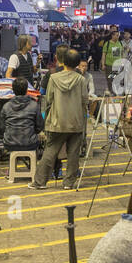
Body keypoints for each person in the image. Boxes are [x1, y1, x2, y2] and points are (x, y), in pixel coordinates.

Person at [32, 48, 90, 190]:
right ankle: (69, 183)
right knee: (73, 154)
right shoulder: (81, 80)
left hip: (57, 121)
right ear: (77, 64)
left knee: (50, 151)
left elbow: (49, 99)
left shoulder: (53, 78)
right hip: (76, 122)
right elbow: (85, 100)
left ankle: (40, 182)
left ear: (63, 61)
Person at [1, 77, 43, 154]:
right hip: (30, 143)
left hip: (10, 143)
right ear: (27, 90)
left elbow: (2, 127)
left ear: (13, 90)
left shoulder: (6, 106)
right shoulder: (34, 105)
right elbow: (39, 127)